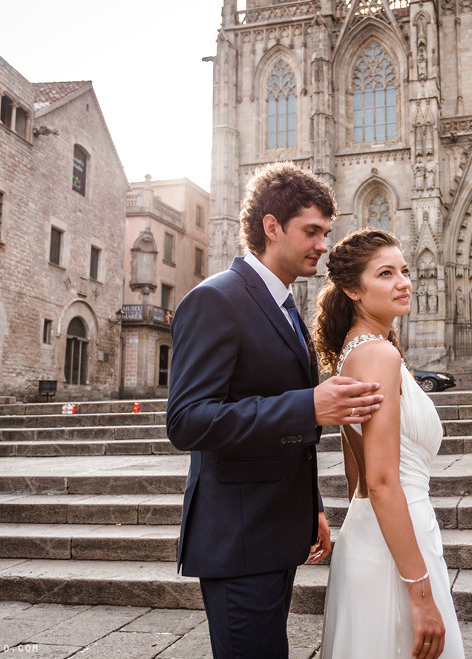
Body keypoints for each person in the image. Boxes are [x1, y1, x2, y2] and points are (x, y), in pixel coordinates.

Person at [165, 163, 385, 659]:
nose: (323, 245)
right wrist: (309, 404)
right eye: (312, 231)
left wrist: (313, 509)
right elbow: (187, 420)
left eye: (326, 232)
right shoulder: (215, 300)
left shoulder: (284, 304)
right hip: (238, 540)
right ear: (271, 227)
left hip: (275, 530)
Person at [315, 230, 465, 659]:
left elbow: (356, 478)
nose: (404, 282)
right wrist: (419, 594)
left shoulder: (353, 351)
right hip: (396, 546)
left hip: (373, 536)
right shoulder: (378, 355)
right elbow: (380, 482)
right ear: (352, 289)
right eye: (385, 273)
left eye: (404, 270)